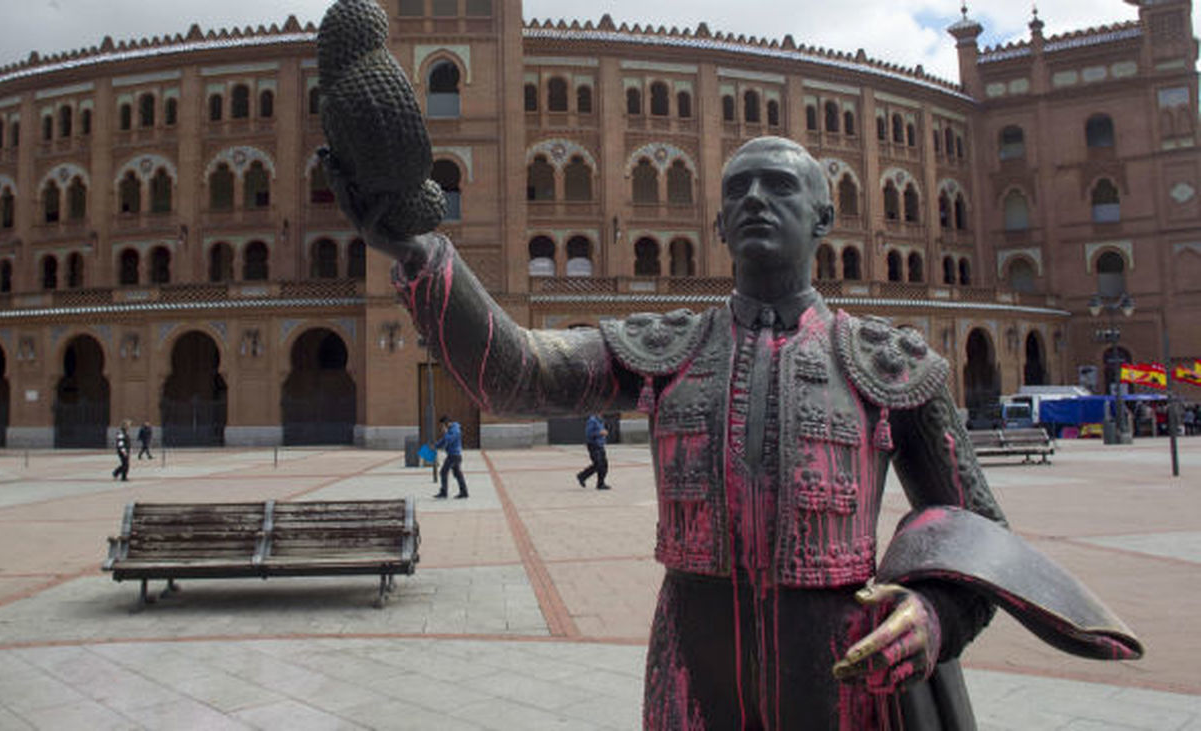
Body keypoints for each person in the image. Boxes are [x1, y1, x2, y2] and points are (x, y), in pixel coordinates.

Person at [325, 132, 1139, 728]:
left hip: (843, 671)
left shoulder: (892, 364)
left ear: (824, 216)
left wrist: (932, 615)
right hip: (694, 664)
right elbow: (519, 371)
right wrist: (418, 252)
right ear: (717, 224)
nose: (756, 199)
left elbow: (976, 530)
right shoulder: (669, 346)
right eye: (740, 188)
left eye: (779, 186)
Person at [433, 415, 467, 499]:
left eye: (442, 425)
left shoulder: (455, 430)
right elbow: (443, 441)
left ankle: (444, 492)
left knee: (443, 472)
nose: (441, 428)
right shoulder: (451, 430)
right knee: (457, 474)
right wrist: (435, 446)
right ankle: (464, 492)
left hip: (454, 455)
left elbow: (448, 440)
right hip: (454, 455)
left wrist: (445, 433)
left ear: (446, 423)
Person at [576, 413, 610, 490]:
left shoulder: (601, 421)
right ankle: (582, 476)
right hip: (593, 445)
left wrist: (604, 434)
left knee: (604, 465)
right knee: (598, 464)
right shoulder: (592, 421)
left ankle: (600, 483)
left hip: (600, 445)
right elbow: (589, 434)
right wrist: (600, 433)